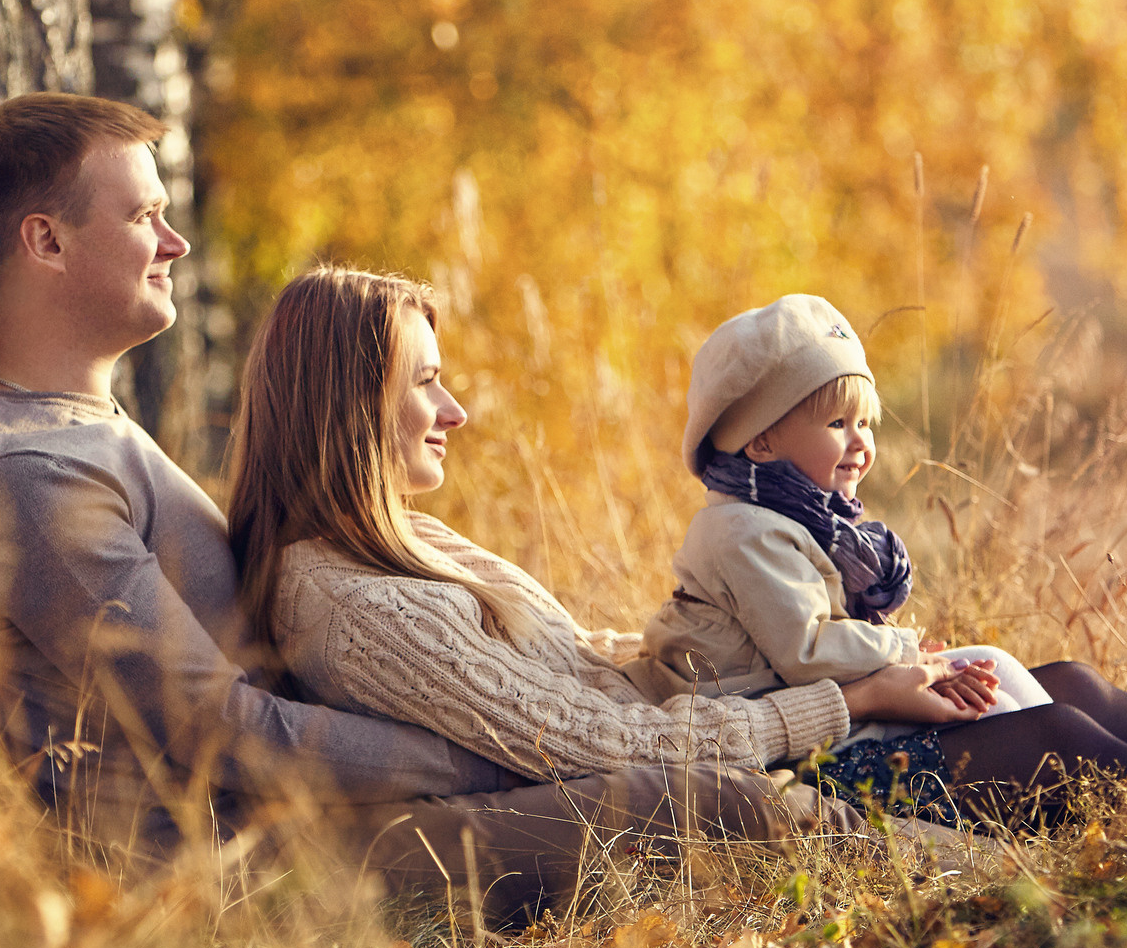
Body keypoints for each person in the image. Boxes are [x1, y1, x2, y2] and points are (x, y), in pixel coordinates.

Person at [0, 98, 951, 922]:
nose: (176, 241)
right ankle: (975, 883)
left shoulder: (86, 430)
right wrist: (476, 751)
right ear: (46, 242)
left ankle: (975, 845)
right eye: (143, 214)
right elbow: (219, 731)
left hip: (333, 814)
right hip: (241, 877)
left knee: (695, 769)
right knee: (702, 799)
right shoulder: (31, 472)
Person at [226, 266, 984, 908]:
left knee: (1051, 693)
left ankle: (1062, 851)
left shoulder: (400, 538)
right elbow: (594, 740)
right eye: (426, 381)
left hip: (702, 719)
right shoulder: (349, 604)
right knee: (1034, 738)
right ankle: (1018, 878)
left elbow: (572, 664)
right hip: (688, 764)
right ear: (349, 404)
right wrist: (850, 698)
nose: (456, 410)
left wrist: (716, 649)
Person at [639, 294, 1127, 826]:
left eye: (865, 423)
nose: (861, 441)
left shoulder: (795, 516)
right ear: (761, 440)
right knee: (1055, 733)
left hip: (848, 725)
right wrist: (905, 654)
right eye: (836, 423)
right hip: (815, 758)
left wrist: (917, 662)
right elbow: (808, 652)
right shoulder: (742, 532)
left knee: (1069, 681)